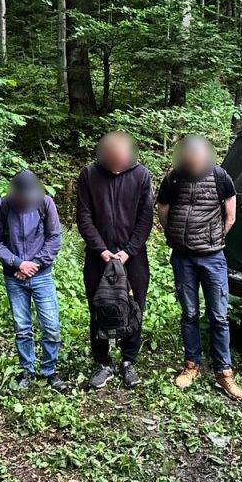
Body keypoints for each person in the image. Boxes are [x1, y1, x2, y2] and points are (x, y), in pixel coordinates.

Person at [157, 135, 242, 400]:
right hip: (183, 258)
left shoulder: (220, 177)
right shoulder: (173, 178)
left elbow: (231, 214)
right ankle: (191, 365)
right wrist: (172, 234)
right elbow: (163, 208)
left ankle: (224, 373)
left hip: (213, 258)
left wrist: (215, 239)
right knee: (190, 313)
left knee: (218, 316)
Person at [76, 132, 154, 389]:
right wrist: (101, 249)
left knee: (135, 307)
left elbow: (145, 218)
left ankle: (128, 361)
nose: (116, 166)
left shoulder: (141, 175)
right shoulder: (89, 174)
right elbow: (84, 217)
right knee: (99, 306)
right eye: (111, 161)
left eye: (121, 160)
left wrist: (129, 250)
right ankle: (103, 362)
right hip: (99, 257)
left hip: (134, 257)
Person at [0, 170, 67, 392]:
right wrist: (17, 263)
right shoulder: (1, 206)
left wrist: (34, 265)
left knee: (51, 326)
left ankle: (50, 371)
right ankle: (27, 371)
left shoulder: (45, 203)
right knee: (22, 327)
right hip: (14, 276)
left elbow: (54, 238)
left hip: (41, 275)